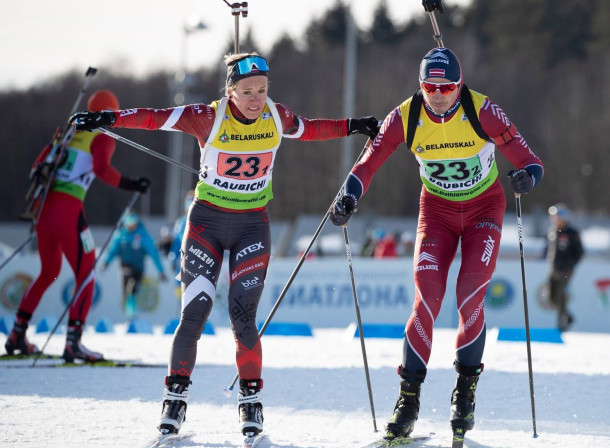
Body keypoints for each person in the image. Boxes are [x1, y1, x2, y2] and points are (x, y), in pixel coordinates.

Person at [70, 52, 378, 440]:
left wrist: (355, 125)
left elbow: (312, 128)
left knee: (243, 317)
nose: (256, 100)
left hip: (252, 227)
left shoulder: (275, 116)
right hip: (206, 227)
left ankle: (251, 405)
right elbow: (153, 116)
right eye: (247, 91)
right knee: (194, 313)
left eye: (262, 91)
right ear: (230, 91)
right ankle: (174, 400)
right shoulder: (207, 117)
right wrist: (109, 119)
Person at [329, 47, 543, 442]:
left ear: (459, 85)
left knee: (469, 296)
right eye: (430, 86)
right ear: (420, 85)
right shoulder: (405, 116)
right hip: (438, 214)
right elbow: (367, 164)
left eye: (447, 87)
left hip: (483, 210)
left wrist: (527, 178)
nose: (439, 94)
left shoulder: (483, 111)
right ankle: (408, 401)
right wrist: (348, 197)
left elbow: (530, 160)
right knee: (426, 297)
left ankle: (465, 395)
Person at [4, 90, 151, 362]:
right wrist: (132, 183)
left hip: (44, 212)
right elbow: (102, 170)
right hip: (68, 211)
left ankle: (16, 334)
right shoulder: (101, 135)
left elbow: (38, 165)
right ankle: (73, 342)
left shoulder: (68, 132)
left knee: (49, 272)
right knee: (87, 274)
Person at [101, 211, 167, 320]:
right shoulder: (121, 235)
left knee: (132, 289)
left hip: (138, 269)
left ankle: (132, 313)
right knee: (126, 292)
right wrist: (106, 262)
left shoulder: (143, 235)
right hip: (124, 267)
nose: (131, 226)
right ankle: (130, 314)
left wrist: (161, 271)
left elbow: (153, 254)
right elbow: (113, 250)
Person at [545, 203, 583, 332]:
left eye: (556, 216)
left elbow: (579, 252)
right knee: (551, 297)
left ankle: (562, 323)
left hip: (566, 269)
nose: (554, 219)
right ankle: (568, 316)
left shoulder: (572, 233)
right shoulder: (552, 231)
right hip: (554, 268)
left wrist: (570, 264)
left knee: (561, 294)